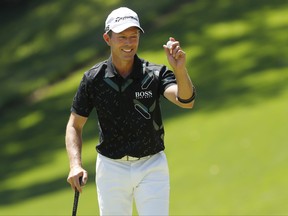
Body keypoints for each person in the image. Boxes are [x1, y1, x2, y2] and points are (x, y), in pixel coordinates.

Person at [65, 6, 196, 216]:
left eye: (133, 36)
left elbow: (185, 100)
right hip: (111, 168)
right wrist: (75, 165)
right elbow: (74, 125)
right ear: (107, 39)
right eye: (122, 37)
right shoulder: (93, 79)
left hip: (151, 166)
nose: (129, 43)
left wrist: (179, 68)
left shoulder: (154, 74)